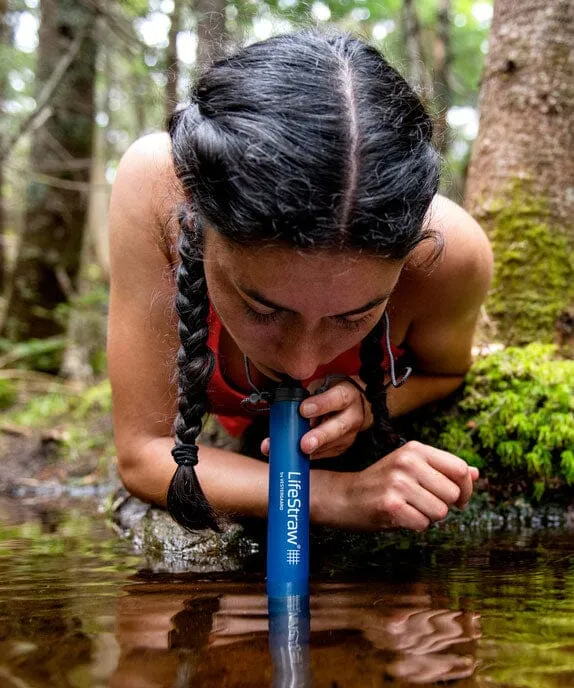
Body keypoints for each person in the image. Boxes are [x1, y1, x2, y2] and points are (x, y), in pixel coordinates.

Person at [107, 29, 493, 534]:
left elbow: (444, 374)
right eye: (263, 309)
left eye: (353, 317)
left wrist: (369, 403)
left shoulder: (449, 255)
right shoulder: (158, 193)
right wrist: (336, 495)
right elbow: (142, 453)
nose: (301, 362)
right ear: (200, 218)